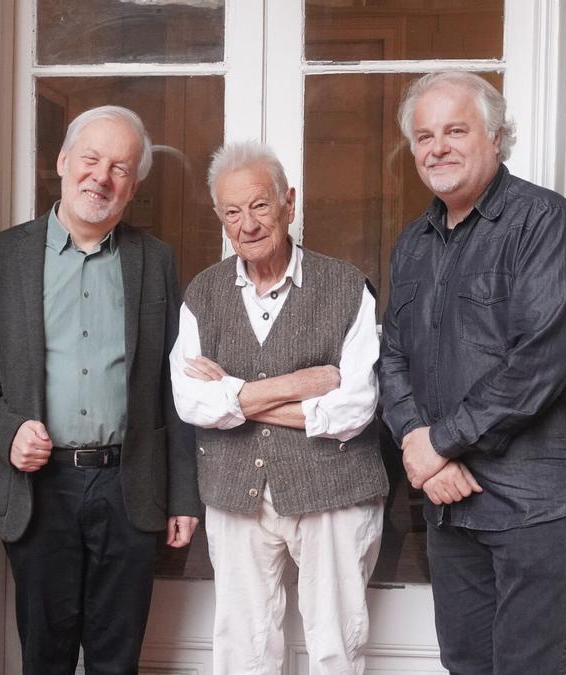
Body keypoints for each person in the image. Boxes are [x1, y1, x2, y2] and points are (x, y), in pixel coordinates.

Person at [378, 71, 566, 674]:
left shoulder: (547, 223)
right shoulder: (413, 244)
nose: (438, 147)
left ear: (496, 136)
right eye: (425, 136)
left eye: (456, 131)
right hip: (451, 499)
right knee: (465, 665)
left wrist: (438, 442)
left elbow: (538, 364)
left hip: (543, 502)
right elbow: (393, 357)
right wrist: (420, 447)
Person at [0, 105, 200, 674]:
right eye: (91, 159)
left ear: (134, 186)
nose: (102, 177)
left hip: (130, 486)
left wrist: (183, 496)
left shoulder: (155, 261)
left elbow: (175, 383)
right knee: (45, 657)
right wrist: (8, 431)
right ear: (63, 162)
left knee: (117, 661)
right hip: (39, 488)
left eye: (120, 168)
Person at [171, 141, 389, 675]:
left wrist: (234, 396)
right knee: (241, 648)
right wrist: (300, 384)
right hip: (234, 490)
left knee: (336, 645)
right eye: (232, 212)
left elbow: (354, 408)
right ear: (220, 218)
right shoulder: (203, 293)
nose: (247, 224)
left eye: (259, 205)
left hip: (334, 490)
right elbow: (190, 400)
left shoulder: (346, 286)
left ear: (288, 203)